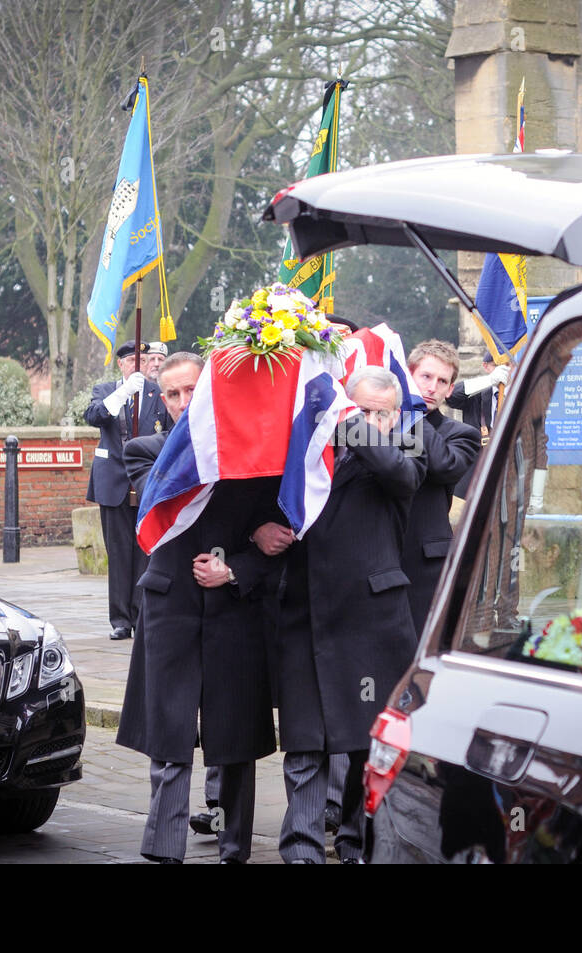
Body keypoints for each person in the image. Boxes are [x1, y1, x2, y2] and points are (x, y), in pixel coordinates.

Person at [116, 352, 281, 864]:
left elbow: (274, 540)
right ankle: (164, 848)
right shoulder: (144, 450)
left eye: (194, 391)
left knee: (234, 740)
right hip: (171, 608)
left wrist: (234, 569)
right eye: (173, 394)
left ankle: (234, 848)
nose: (184, 402)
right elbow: (157, 499)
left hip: (233, 609)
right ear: (161, 400)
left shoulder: (250, 457)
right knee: (169, 736)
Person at [273, 365, 426, 863]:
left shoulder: (407, 448)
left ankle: (358, 844)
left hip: (371, 620)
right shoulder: (309, 450)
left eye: (377, 414)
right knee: (304, 740)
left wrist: (348, 419)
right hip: (306, 613)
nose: (363, 421)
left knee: (367, 744)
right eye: (357, 409)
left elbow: (399, 476)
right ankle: (301, 848)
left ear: (395, 415)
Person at [85, 340, 173, 640]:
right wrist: (123, 392)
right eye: (134, 359)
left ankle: (141, 614)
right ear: (121, 363)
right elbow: (95, 416)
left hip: (146, 479)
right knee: (118, 553)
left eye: (144, 359)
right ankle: (120, 619)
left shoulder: (155, 393)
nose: (141, 364)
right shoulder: (106, 390)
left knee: (145, 550)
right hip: (112, 481)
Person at [403, 340, 482, 638]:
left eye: (442, 381)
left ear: (450, 390)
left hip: (425, 567)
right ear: (408, 376)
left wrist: (412, 411)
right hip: (379, 560)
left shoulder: (462, 434)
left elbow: (441, 465)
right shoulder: (380, 424)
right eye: (425, 377)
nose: (432, 387)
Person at [446, 351, 512, 499]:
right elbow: (451, 396)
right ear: (486, 366)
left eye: (507, 366)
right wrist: (489, 381)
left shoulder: (519, 394)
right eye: (497, 366)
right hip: (475, 479)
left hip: (508, 475)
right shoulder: (476, 393)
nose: (504, 371)